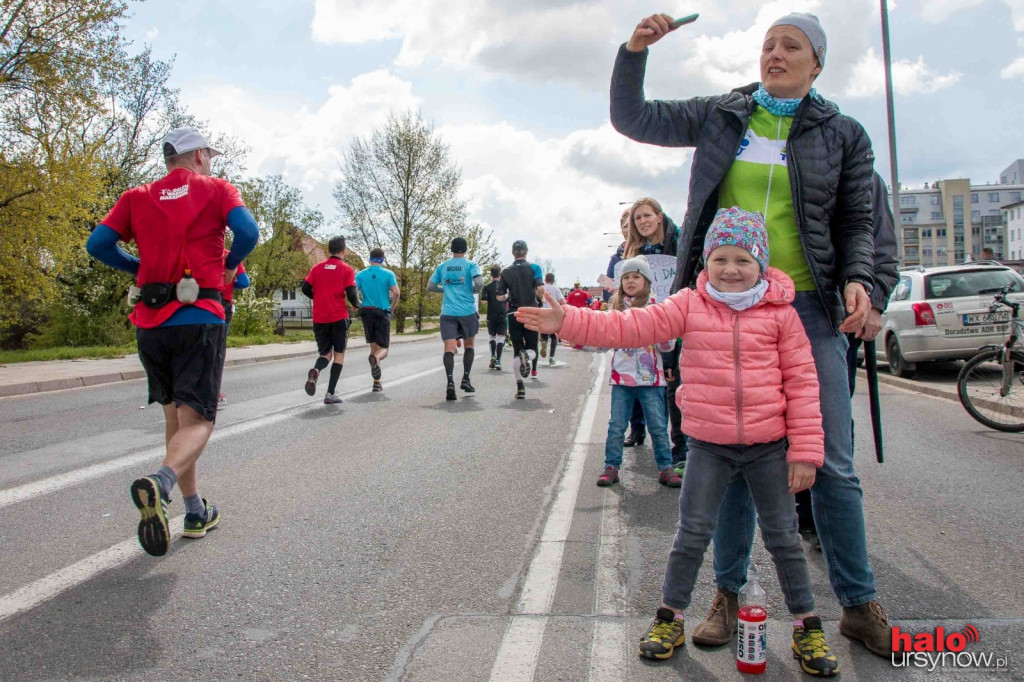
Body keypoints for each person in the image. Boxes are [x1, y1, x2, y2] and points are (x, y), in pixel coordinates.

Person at [611, 12, 890, 656]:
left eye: (791, 46)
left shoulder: (843, 133)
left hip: (811, 315)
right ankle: (728, 597)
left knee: (832, 464)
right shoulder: (722, 115)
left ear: (817, 62)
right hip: (721, 312)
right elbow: (634, 119)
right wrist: (634, 51)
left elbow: (858, 221)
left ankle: (856, 603)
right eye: (768, 44)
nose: (775, 53)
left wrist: (863, 282)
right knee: (732, 456)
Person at [518, 208, 839, 675]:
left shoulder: (781, 314)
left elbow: (804, 384)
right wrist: (568, 322)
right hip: (708, 445)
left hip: (770, 447)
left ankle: (808, 628)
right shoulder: (690, 304)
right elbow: (630, 326)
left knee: (784, 540)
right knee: (690, 535)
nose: (730, 269)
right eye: (720, 259)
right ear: (705, 262)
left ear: (762, 263)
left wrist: (806, 452)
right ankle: (670, 618)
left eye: (743, 260)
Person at [86, 126, 259, 556]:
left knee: (176, 419)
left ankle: (195, 509)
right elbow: (249, 233)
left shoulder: (136, 196)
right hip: (199, 316)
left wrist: (137, 269)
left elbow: (98, 244)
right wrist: (228, 265)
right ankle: (161, 483)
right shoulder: (217, 189)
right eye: (209, 154)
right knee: (199, 420)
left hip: (150, 322)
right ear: (198, 155)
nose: (212, 161)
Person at [796, 172, 900, 548]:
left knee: (833, 420)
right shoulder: (781, 157)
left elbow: (882, 245)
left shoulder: (862, 176)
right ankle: (802, 508)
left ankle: (829, 521)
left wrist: (875, 301)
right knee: (785, 413)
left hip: (841, 312)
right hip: (788, 308)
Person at [594, 256, 680, 489]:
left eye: (636, 276)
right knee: (616, 426)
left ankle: (665, 468)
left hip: (651, 379)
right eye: (626, 277)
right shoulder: (616, 309)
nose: (631, 281)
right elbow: (605, 340)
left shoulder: (657, 308)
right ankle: (611, 466)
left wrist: (661, 335)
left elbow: (668, 345)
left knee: (658, 426)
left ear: (646, 280)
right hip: (622, 378)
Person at [302, 236, 359, 404]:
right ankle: (330, 393)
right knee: (339, 354)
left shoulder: (317, 268)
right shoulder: (347, 269)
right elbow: (351, 293)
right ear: (343, 250)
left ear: (329, 250)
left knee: (325, 354)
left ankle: (316, 369)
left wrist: (318, 297)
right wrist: (357, 305)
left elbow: (305, 288)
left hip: (320, 317)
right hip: (338, 317)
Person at [428, 237, 483, 400]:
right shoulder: (471, 265)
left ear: (451, 249)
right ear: (465, 249)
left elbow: (430, 286)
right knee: (469, 345)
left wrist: (444, 289)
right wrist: (471, 289)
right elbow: (479, 284)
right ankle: (466, 378)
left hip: (448, 312)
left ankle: (450, 382)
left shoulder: (442, 266)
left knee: (449, 348)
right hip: (467, 311)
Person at [497, 240, 544, 399]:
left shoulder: (505, 272)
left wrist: (507, 297)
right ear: (526, 251)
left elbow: (500, 296)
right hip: (530, 311)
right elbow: (540, 289)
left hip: (514, 314)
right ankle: (528, 357)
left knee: (517, 350)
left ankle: (520, 387)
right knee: (532, 348)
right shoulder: (534, 268)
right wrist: (540, 299)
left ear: (513, 253)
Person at [355, 247, 400, 393]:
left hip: (367, 313)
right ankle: (377, 360)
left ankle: (376, 382)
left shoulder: (361, 274)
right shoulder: (388, 274)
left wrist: (357, 305)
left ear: (370, 258)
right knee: (383, 349)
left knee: (373, 347)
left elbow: (352, 291)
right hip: (382, 312)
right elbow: (396, 292)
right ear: (383, 258)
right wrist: (392, 308)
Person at [217, 251, 249, 403]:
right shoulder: (231, 256)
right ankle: (214, 391)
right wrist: (229, 285)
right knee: (218, 349)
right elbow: (244, 282)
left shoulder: (200, 250)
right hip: (224, 304)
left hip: (201, 301)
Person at [481, 265, 508, 370]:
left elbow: (483, 301)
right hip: (502, 314)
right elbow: (508, 298)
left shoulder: (487, 287)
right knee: (501, 338)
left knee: (492, 337)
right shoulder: (504, 287)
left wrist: (489, 299)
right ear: (500, 274)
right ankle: (498, 361)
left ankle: (492, 355)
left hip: (491, 315)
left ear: (491, 274)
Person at [539, 273, 566, 367]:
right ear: (553, 280)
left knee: (544, 332)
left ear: (545, 279)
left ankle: (543, 341)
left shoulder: (541, 288)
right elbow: (563, 301)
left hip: (542, 312)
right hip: (553, 312)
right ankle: (551, 357)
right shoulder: (556, 289)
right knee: (554, 336)